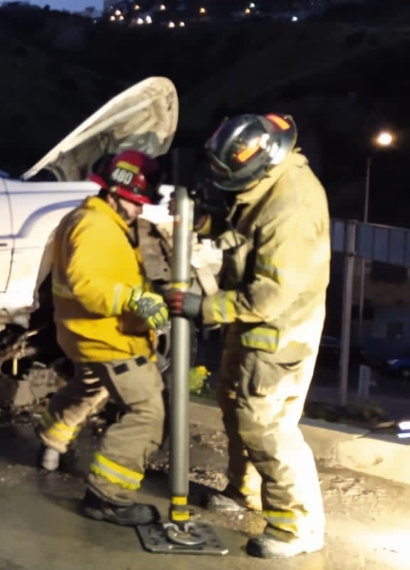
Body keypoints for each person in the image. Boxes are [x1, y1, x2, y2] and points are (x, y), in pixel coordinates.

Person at [163, 113, 330, 559]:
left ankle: (298, 526)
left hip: (279, 332)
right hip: (254, 325)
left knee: (267, 424)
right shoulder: (269, 184)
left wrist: (206, 307)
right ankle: (245, 492)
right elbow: (244, 234)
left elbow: (271, 295)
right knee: (235, 406)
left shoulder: (290, 209)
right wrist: (204, 224)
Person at [36, 149, 171, 526]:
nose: (139, 210)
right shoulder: (95, 226)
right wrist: (135, 299)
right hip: (108, 339)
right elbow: (88, 285)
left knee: (88, 387)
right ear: (113, 192)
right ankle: (107, 497)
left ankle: (50, 442)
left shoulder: (88, 219)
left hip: (81, 335)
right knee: (147, 412)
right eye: (135, 201)